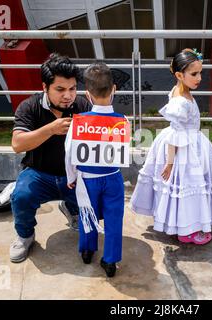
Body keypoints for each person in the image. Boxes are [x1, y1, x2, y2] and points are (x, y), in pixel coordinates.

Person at [130, 48, 212, 245]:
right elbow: (176, 136)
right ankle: (186, 230)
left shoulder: (180, 90)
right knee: (186, 186)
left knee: (185, 188)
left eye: (200, 72)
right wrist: (169, 164)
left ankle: (183, 223)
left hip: (190, 143)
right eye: (194, 74)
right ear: (179, 75)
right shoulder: (180, 101)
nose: (199, 78)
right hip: (182, 148)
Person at [9, 53, 90, 263]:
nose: (68, 96)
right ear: (45, 87)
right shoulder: (29, 106)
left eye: (72, 89)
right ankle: (25, 236)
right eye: (60, 89)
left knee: (96, 199)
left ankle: (71, 208)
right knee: (21, 197)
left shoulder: (82, 106)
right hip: (38, 173)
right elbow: (17, 144)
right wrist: (51, 129)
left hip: (73, 174)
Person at [65, 62, 127, 277]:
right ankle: (110, 261)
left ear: (87, 94)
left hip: (87, 179)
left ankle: (87, 250)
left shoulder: (79, 122)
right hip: (113, 178)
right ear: (114, 89)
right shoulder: (123, 121)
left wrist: (71, 177)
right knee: (114, 219)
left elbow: (69, 153)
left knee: (86, 214)